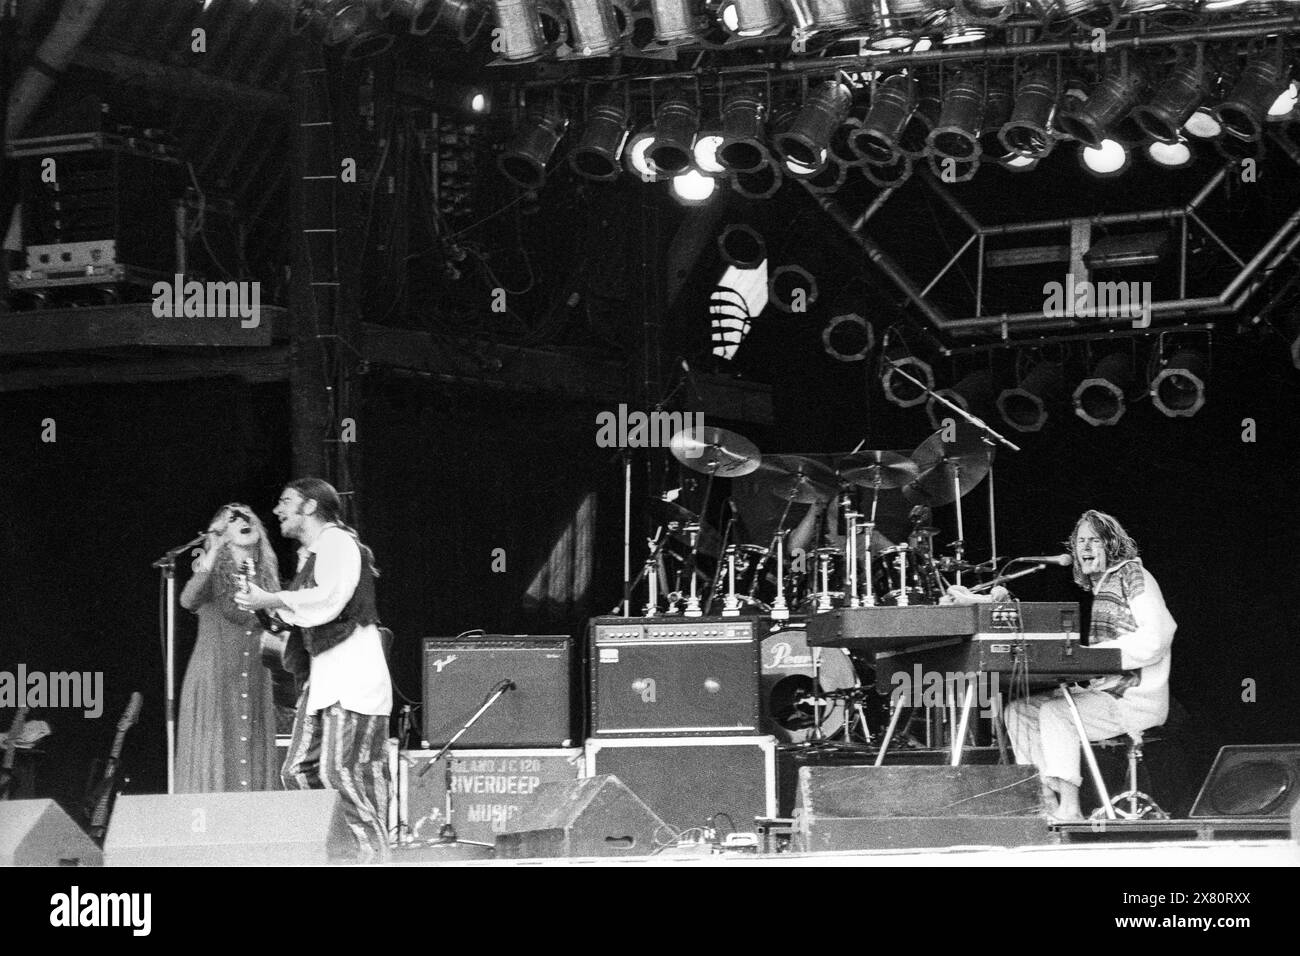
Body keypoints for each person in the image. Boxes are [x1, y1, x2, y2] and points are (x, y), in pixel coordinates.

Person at [235, 478, 392, 862]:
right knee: (299, 771)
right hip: (324, 681)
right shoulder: (314, 554)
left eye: (285, 501)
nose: (277, 510)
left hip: (353, 677)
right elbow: (306, 610)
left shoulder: (338, 542)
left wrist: (272, 597)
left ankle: (374, 857)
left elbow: (329, 599)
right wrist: (270, 606)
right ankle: (339, 851)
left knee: (342, 771)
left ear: (309, 507)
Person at [998, 510, 1176, 821]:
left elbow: (1157, 637)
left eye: (1095, 540)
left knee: (1057, 713)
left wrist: (1096, 656)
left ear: (1112, 545)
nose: (1085, 548)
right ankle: (1046, 800)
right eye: (1081, 541)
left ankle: (1071, 808)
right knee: (1018, 711)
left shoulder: (1133, 575)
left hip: (1136, 698)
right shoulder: (1103, 587)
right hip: (1107, 694)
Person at [176, 504, 280, 793]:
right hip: (214, 678)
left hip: (255, 677)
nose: (244, 521)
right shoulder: (211, 573)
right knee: (217, 751)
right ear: (221, 533)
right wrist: (214, 549)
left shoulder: (266, 575)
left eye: (249, 517)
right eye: (234, 519)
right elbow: (187, 600)